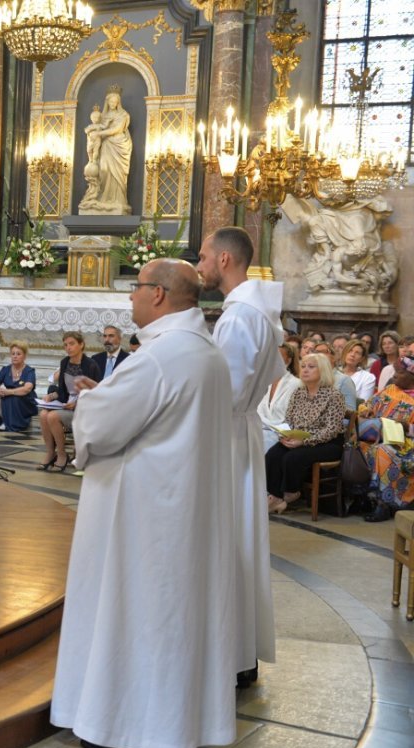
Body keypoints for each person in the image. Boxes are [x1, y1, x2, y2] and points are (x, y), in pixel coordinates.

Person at [51, 258, 237, 748]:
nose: (130, 297)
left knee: (136, 613)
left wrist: (92, 401)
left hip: (145, 515)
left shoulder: (160, 356)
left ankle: (124, 726)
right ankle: (168, 726)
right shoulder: (204, 351)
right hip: (180, 509)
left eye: (136, 288)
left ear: (158, 295)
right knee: (169, 616)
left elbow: (102, 427)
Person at [195, 225, 284, 688]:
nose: (201, 265)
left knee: (229, 542)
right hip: (242, 434)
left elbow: (223, 392)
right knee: (242, 540)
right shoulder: (257, 310)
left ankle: (231, 654)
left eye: (204, 257)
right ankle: (240, 651)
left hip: (228, 437)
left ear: (225, 260)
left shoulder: (238, 317)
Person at [264, 353, 347, 515]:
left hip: (327, 443)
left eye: (311, 367)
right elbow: (289, 419)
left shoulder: (334, 395)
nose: (305, 370)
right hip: (299, 437)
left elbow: (331, 430)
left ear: (322, 370)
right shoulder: (298, 393)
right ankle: (275, 496)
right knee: (273, 454)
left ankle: (291, 492)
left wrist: (304, 441)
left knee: (292, 457)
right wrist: (286, 434)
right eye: (303, 367)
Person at [357, 357, 414, 522]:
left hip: (406, 443)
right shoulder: (390, 389)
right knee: (356, 444)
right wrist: (366, 410)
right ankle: (362, 498)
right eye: (395, 371)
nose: (395, 375)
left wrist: (406, 427)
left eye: (401, 372)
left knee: (382, 452)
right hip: (378, 436)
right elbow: (367, 404)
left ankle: (383, 503)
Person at [38, 331, 100, 471]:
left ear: (81, 344)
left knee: (52, 416)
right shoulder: (64, 362)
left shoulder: (91, 365)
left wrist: (77, 403)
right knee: (43, 415)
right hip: (66, 404)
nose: (68, 348)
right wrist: (51, 397)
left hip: (84, 408)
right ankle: (50, 453)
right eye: (65, 345)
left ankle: (62, 454)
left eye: (72, 344)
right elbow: (62, 391)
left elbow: (96, 393)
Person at [77, 85, 132, 215]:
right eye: (111, 101)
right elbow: (96, 128)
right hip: (106, 145)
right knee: (104, 171)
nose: (113, 104)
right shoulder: (103, 115)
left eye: (115, 102)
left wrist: (100, 134)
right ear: (107, 101)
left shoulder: (123, 114)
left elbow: (117, 129)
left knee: (116, 174)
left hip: (118, 144)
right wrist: (93, 134)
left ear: (119, 102)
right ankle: (104, 198)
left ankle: (117, 200)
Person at [258, 342, 302, 452]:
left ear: (288, 360)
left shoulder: (296, 384)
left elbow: (293, 417)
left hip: (280, 433)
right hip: (259, 427)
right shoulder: (263, 380)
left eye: (278, 357)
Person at [0, 341, 37, 433]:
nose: (15, 356)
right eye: (13, 354)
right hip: (9, 396)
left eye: (18, 354)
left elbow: (27, 389)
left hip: (25, 399)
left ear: (24, 356)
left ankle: (17, 424)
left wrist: (8, 392)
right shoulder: (5, 369)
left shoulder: (29, 371)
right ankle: (4, 422)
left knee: (13, 398)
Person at [314, 341, 358, 411]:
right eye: (316, 352)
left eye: (323, 352)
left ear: (334, 357)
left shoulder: (344, 380)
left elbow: (350, 413)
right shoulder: (310, 379)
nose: (318, 355)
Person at [340, 338, 377, 404]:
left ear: (362, 358)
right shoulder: (333, 372)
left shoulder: (367, 377)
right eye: (350, 351)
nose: (352, 355)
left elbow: (363, 403)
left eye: (357, 353)